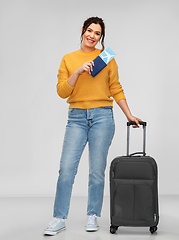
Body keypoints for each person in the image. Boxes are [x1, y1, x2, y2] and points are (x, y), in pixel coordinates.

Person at [44, 16, 142, 236]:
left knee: (96, 171)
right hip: (76, 118)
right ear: (82, 31)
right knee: (66, 169)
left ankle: (92, 215)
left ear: (101, 37)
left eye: (97, 33)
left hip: (102, 117)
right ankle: (59, 218)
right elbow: (62, 91)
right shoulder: (68, 59)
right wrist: (78, 72)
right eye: (89, 31)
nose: (92, 36)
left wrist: (129, 115)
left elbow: (116, 88)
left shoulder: (106, 58)